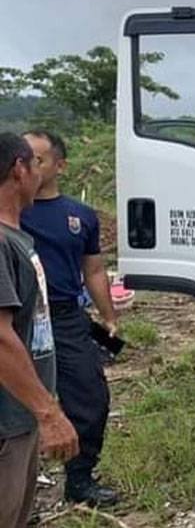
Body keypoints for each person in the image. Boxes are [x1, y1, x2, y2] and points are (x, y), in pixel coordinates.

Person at [20, 130, 119, 507]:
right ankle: (19, 495)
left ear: (60, 165)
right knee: (17, 405)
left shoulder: (80, 215)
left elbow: (93, 269)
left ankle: (80, 480)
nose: (28, 166)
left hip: (65, 317)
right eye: (23, 158)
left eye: (38, 159)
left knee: (90, 398)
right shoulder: (11, 210)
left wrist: (108, 317)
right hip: (20, 317)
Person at [0, 133, 79, 528]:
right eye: (34, 164)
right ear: (19, 169)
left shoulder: (15, 238)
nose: (38, 173)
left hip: (20, 417)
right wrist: (48, 414)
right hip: (7, 423)